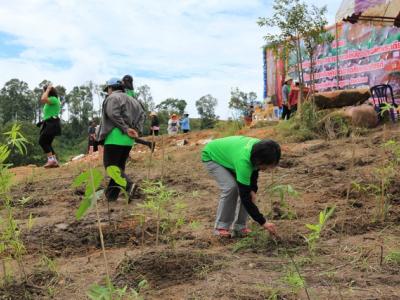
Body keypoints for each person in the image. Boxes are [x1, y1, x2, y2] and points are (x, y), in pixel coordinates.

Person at [202, 136, 280, 237]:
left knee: (249, 192)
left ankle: (240, 227)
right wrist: (263, 222)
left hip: (231, 156)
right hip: (212, 156)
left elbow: (254, 172)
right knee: (231, 188)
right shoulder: (244, 162)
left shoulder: (261, 149)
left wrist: (253, 189)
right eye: (266, 166)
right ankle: (221, 227)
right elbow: (245, 197)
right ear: (258, 160)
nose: (267, 169)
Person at [98, 78, 140, 202]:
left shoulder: (112, 98)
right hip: (128, 140)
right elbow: (142, 115)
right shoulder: (133, 100)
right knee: (118, 168)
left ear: (111, 88)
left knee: (110, 167)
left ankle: (129, 185)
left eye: (108, 89)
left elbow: (113, 114)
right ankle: (111, 196)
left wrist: (125, 128)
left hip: (115, 137)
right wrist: (135, 130)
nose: (108, 92)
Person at [121, 74, 155, 151]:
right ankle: (149, 144)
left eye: (122, 81)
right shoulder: (133, 92)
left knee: (129, 135)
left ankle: (126, 156)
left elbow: (128, 106)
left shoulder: (126, 92)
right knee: (132, 136)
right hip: (137, 117)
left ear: (124, 81)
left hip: (131, 118)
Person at [38, 85, 61, 168]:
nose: (43, 93)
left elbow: (43, 99)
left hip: (52, 123)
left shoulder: (54, 99)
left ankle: (51, 160)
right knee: (47, 143)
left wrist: (47, 90)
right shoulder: (52, 100)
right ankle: (54, 161)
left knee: (42, 141)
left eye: (43, 91)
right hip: (50, 123)